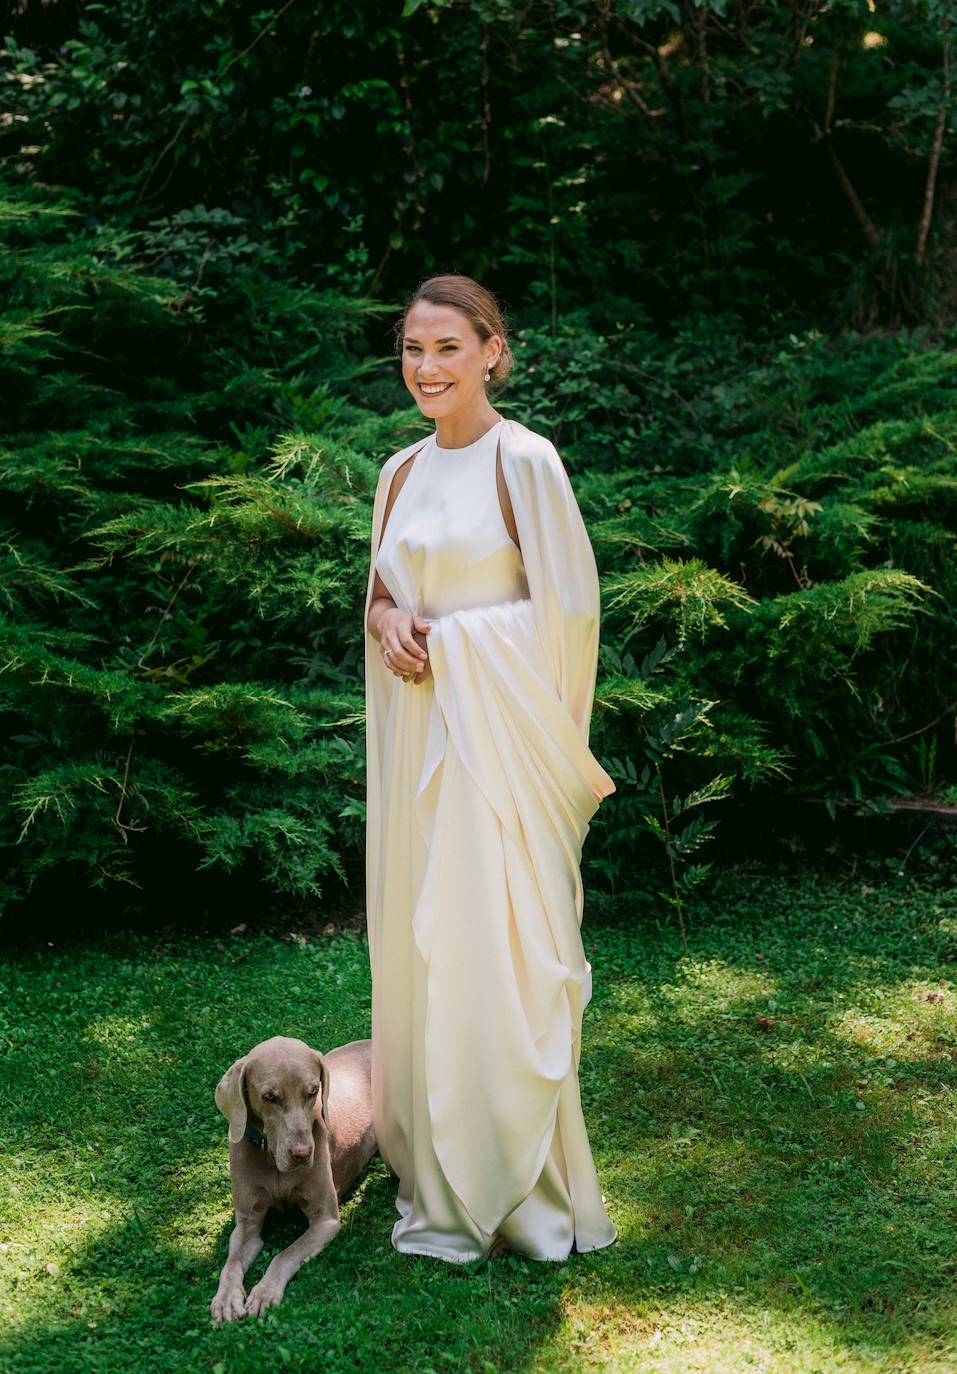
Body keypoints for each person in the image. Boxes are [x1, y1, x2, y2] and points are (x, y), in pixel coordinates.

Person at [364, 273, 616, 1263]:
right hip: (419, 750)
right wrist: (392, 626)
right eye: (413, 351)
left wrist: (460, 645)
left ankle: (523, 1191)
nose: (427, 368)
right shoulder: (397, 471)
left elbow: (569, 615)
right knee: (428, 952)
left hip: (499, 761)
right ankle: (435, 1163)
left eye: (448, 349)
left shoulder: (527, 461)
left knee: (502, 960)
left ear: (492, 352)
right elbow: (381, 600)